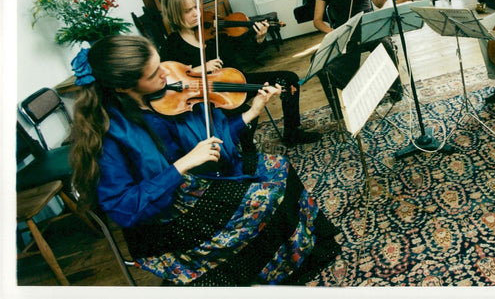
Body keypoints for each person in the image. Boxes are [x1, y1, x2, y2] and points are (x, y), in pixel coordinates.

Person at [68, 35, 340, 285]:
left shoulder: (164, 96)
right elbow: (122, 207)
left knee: (279, 166)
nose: (165, 73)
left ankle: (306, 249)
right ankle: (268, 275)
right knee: (265, 199)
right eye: (153, 74)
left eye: (159, 64)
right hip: (169, 214)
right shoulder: (108, 134)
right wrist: (182, 164)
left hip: (201, 176)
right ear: (122, 87)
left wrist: (251, 112)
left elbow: (210, 141)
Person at [160, 0, 319, 146]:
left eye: (196, 7)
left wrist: (258, 38)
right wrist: (200, 69)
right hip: (213, 96)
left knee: (289, 80)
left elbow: (245, 54)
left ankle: (292, 132)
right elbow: (169, 80)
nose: (196, 13)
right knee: (247, 114)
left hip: (239, 81)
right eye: (188, 11)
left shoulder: (213, 32)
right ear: (175, 15)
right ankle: (248, 150)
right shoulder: (172, 45)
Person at [312, 0, 403, 120]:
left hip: (368, 29)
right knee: (324, 66)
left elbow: (378, 2)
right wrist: (334, 33)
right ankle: (347, 102)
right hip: (345, 34)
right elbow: (317, 20)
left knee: (387, 44)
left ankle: (395, 89)